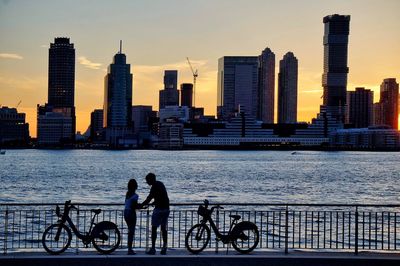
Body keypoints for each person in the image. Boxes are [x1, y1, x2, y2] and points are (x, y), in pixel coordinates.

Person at [141, 173, 170, 255]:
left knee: (154, 228)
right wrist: (154, 202)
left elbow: (149, 197)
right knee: (163, 229)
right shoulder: (160, 184)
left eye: (147, 180)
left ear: (151, 179)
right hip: (166, 208)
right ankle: (164, 247)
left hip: (159, 209)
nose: (147, 182)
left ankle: (153, 248)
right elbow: (162, 196)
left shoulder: (154, 187)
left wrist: (141, 205)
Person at [124, 179, 139, 255]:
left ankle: (129, 248)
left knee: (129, 230)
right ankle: (130, 249)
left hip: (125, 212)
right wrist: (141, 206)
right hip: (131, 213)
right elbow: (134, 206)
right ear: (135, 186)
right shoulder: (135, 196)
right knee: (131, 231)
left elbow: (128, 203)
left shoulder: (127, 193)